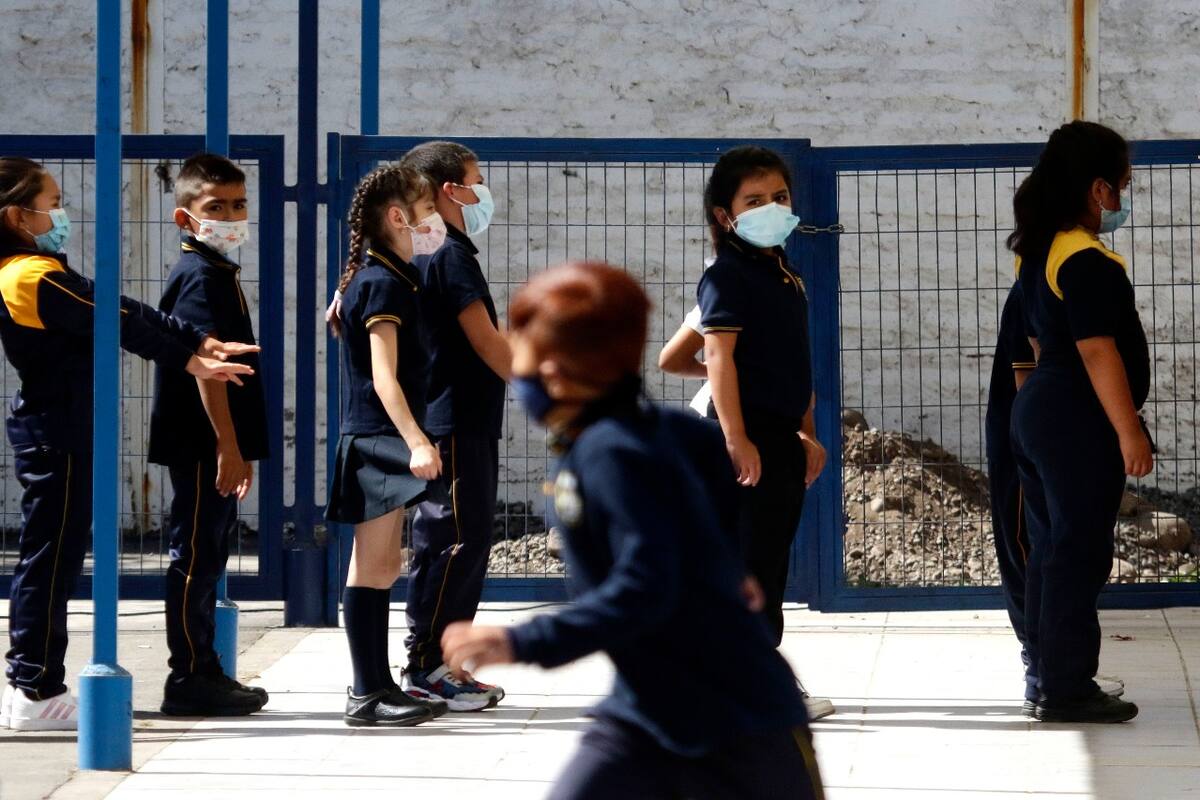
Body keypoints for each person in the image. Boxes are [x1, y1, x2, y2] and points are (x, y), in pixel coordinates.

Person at [442, 262, 824, 800]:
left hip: (742, 724)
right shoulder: (670, 432)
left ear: (554, 371)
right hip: (650, 710)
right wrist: (723, 570)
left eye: (519, 343)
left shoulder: (607, 455)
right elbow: (715, 498)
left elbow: (646, 587)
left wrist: (518, 640)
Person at [0, 157, 257, 731]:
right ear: (18, 216)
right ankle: (34, 687)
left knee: (53, 559)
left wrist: (195, 344)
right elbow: (115, 317)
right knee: (49, 562)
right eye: (52, 204)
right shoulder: (29, 276)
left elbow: (124, 310)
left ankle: (31, 684)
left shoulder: (35, 270)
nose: (60, 214)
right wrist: (191, 354)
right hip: (54, 434)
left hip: (61, 429)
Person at [1009, 120, 1147, 723]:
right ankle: (1067, 689)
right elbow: (1096, 350)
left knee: (1052, 549)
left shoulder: (1042, 251)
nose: (1122, 198)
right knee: (1078, 553)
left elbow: (1040, 343)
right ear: (1097, 189)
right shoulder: (1087, 259)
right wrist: (1128, 430)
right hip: (1076, 418)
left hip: (1043, 409)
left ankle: (1048, 676)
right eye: (1122, 186)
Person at [695, 145, 833, 719]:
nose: (771, 208)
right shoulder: (727, 276)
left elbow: (795, 363)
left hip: (779, 438)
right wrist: (736, 439)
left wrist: (806, 433)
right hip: (746, 439)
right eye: (753, 201)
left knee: (768, 563)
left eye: (779, 196)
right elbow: (717, 359)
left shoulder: (784, 274)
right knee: (749, 565)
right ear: (725, 215)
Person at [325, 163, 449, 727]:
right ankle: (366, 691)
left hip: (379, 438)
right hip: (378, 441)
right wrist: (417, 442)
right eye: (427, 210)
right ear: (398, 217)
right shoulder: (382, 282)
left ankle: (375, 687)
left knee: (378, 566)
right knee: (374, 568)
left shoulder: (388, 276)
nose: (435, 220)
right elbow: (383, 377)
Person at [148, 153, 271, 717]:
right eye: (215, 207)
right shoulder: (199, 274)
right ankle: (189, 676)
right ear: (185, 217)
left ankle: (205, 669)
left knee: (208, 553)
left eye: (238, 205)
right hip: (201, 442)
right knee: (195, 555)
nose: (230, 216)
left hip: (213, 442)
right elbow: (208, 369)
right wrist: (228, 445)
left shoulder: (218, 270)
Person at [398, 141, 510, 711]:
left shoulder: (426, 250)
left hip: (455, 416)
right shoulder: (448, 253)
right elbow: (486, 340)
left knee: (453, 539)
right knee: (457, 541)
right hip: (456, 418)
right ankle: (430, 667)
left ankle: (442, 664)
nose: (482, 191)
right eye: (476, 181)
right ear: (450, 191)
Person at [986, 278, 1126, 717]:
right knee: (1033, 548)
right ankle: (1042, 669)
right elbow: (1026, 373)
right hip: (1037, 442)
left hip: (1054, 439)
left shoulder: (1061, 281)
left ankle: (1055, 668)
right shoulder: (1034, 289)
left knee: (1058, 550)